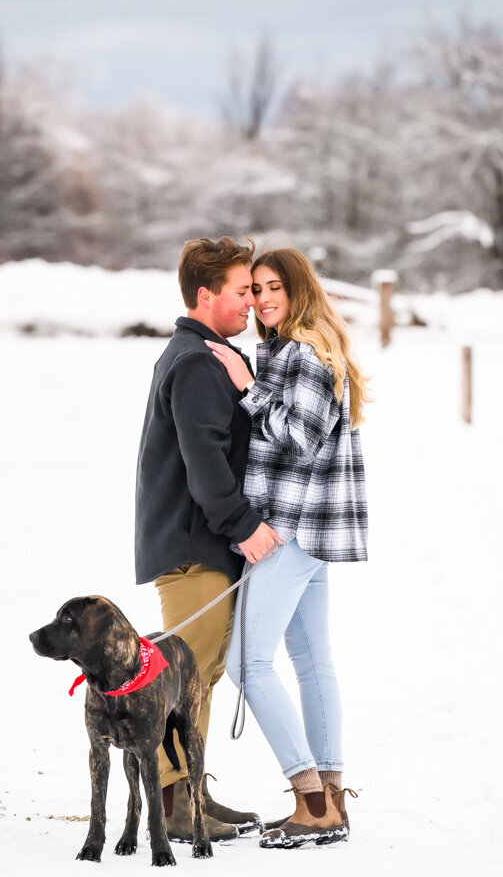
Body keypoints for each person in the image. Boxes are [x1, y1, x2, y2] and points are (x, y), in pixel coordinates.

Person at [205, 247, 370, 849]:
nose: (262, 299)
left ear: (299, 290)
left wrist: (247, 386)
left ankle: (311, 802)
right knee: (311, 662)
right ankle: (330, 798)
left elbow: (298, 440)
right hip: (312, 530)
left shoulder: (300, 353)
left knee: (247, 665)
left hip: (289, 528)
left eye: (274, 287)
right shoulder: (308, 349)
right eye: (254, 288)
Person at [135, 236, 281, 843]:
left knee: (200, 674)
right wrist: (243, 527)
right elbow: (205, 464)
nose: (251, 301)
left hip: (196, 541)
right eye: (241, 290)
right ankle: (172, 806)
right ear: (205, 294)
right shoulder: (196, 360)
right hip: (194, 545)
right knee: (183, 678)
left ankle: (190, 792)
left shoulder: (202, 352)